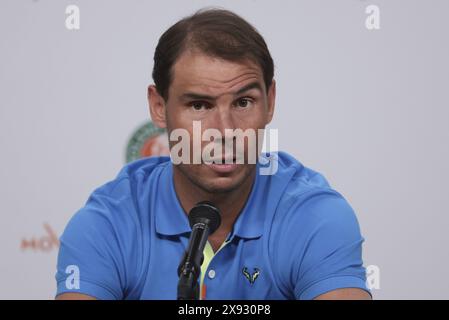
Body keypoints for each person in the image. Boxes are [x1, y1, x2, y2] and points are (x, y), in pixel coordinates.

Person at [55, 8, 371, 300]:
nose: (225, 131)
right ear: (159, 107)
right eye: (199, 105)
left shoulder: (315, 216)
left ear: (270, 101)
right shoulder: (108, 223)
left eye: (243, 102)